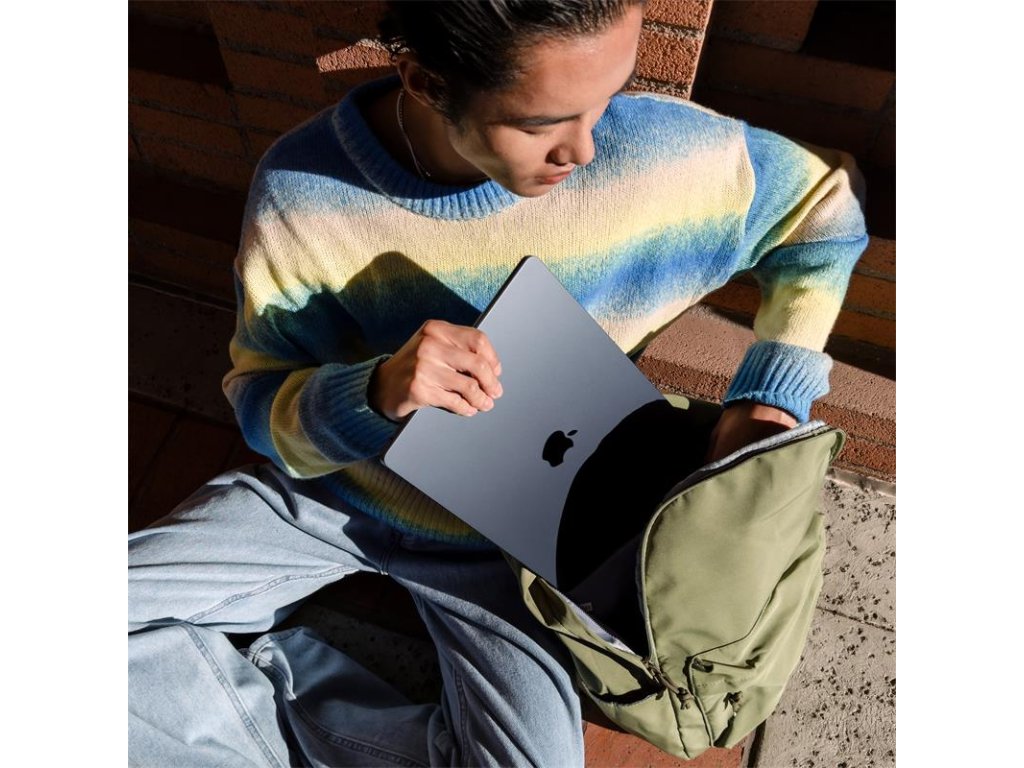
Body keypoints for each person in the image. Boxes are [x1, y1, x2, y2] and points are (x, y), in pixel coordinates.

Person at [128, 1, 868, 765]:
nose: (583, 149)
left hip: (511, 550)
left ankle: (276, 693)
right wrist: (371, 394)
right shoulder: (304, 190)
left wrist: (770, 395)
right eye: (541, 122)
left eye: (607, 98)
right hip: (328, 502)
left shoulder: (660, 154)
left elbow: (824, 210)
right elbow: (259, 406)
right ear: (427, 82)